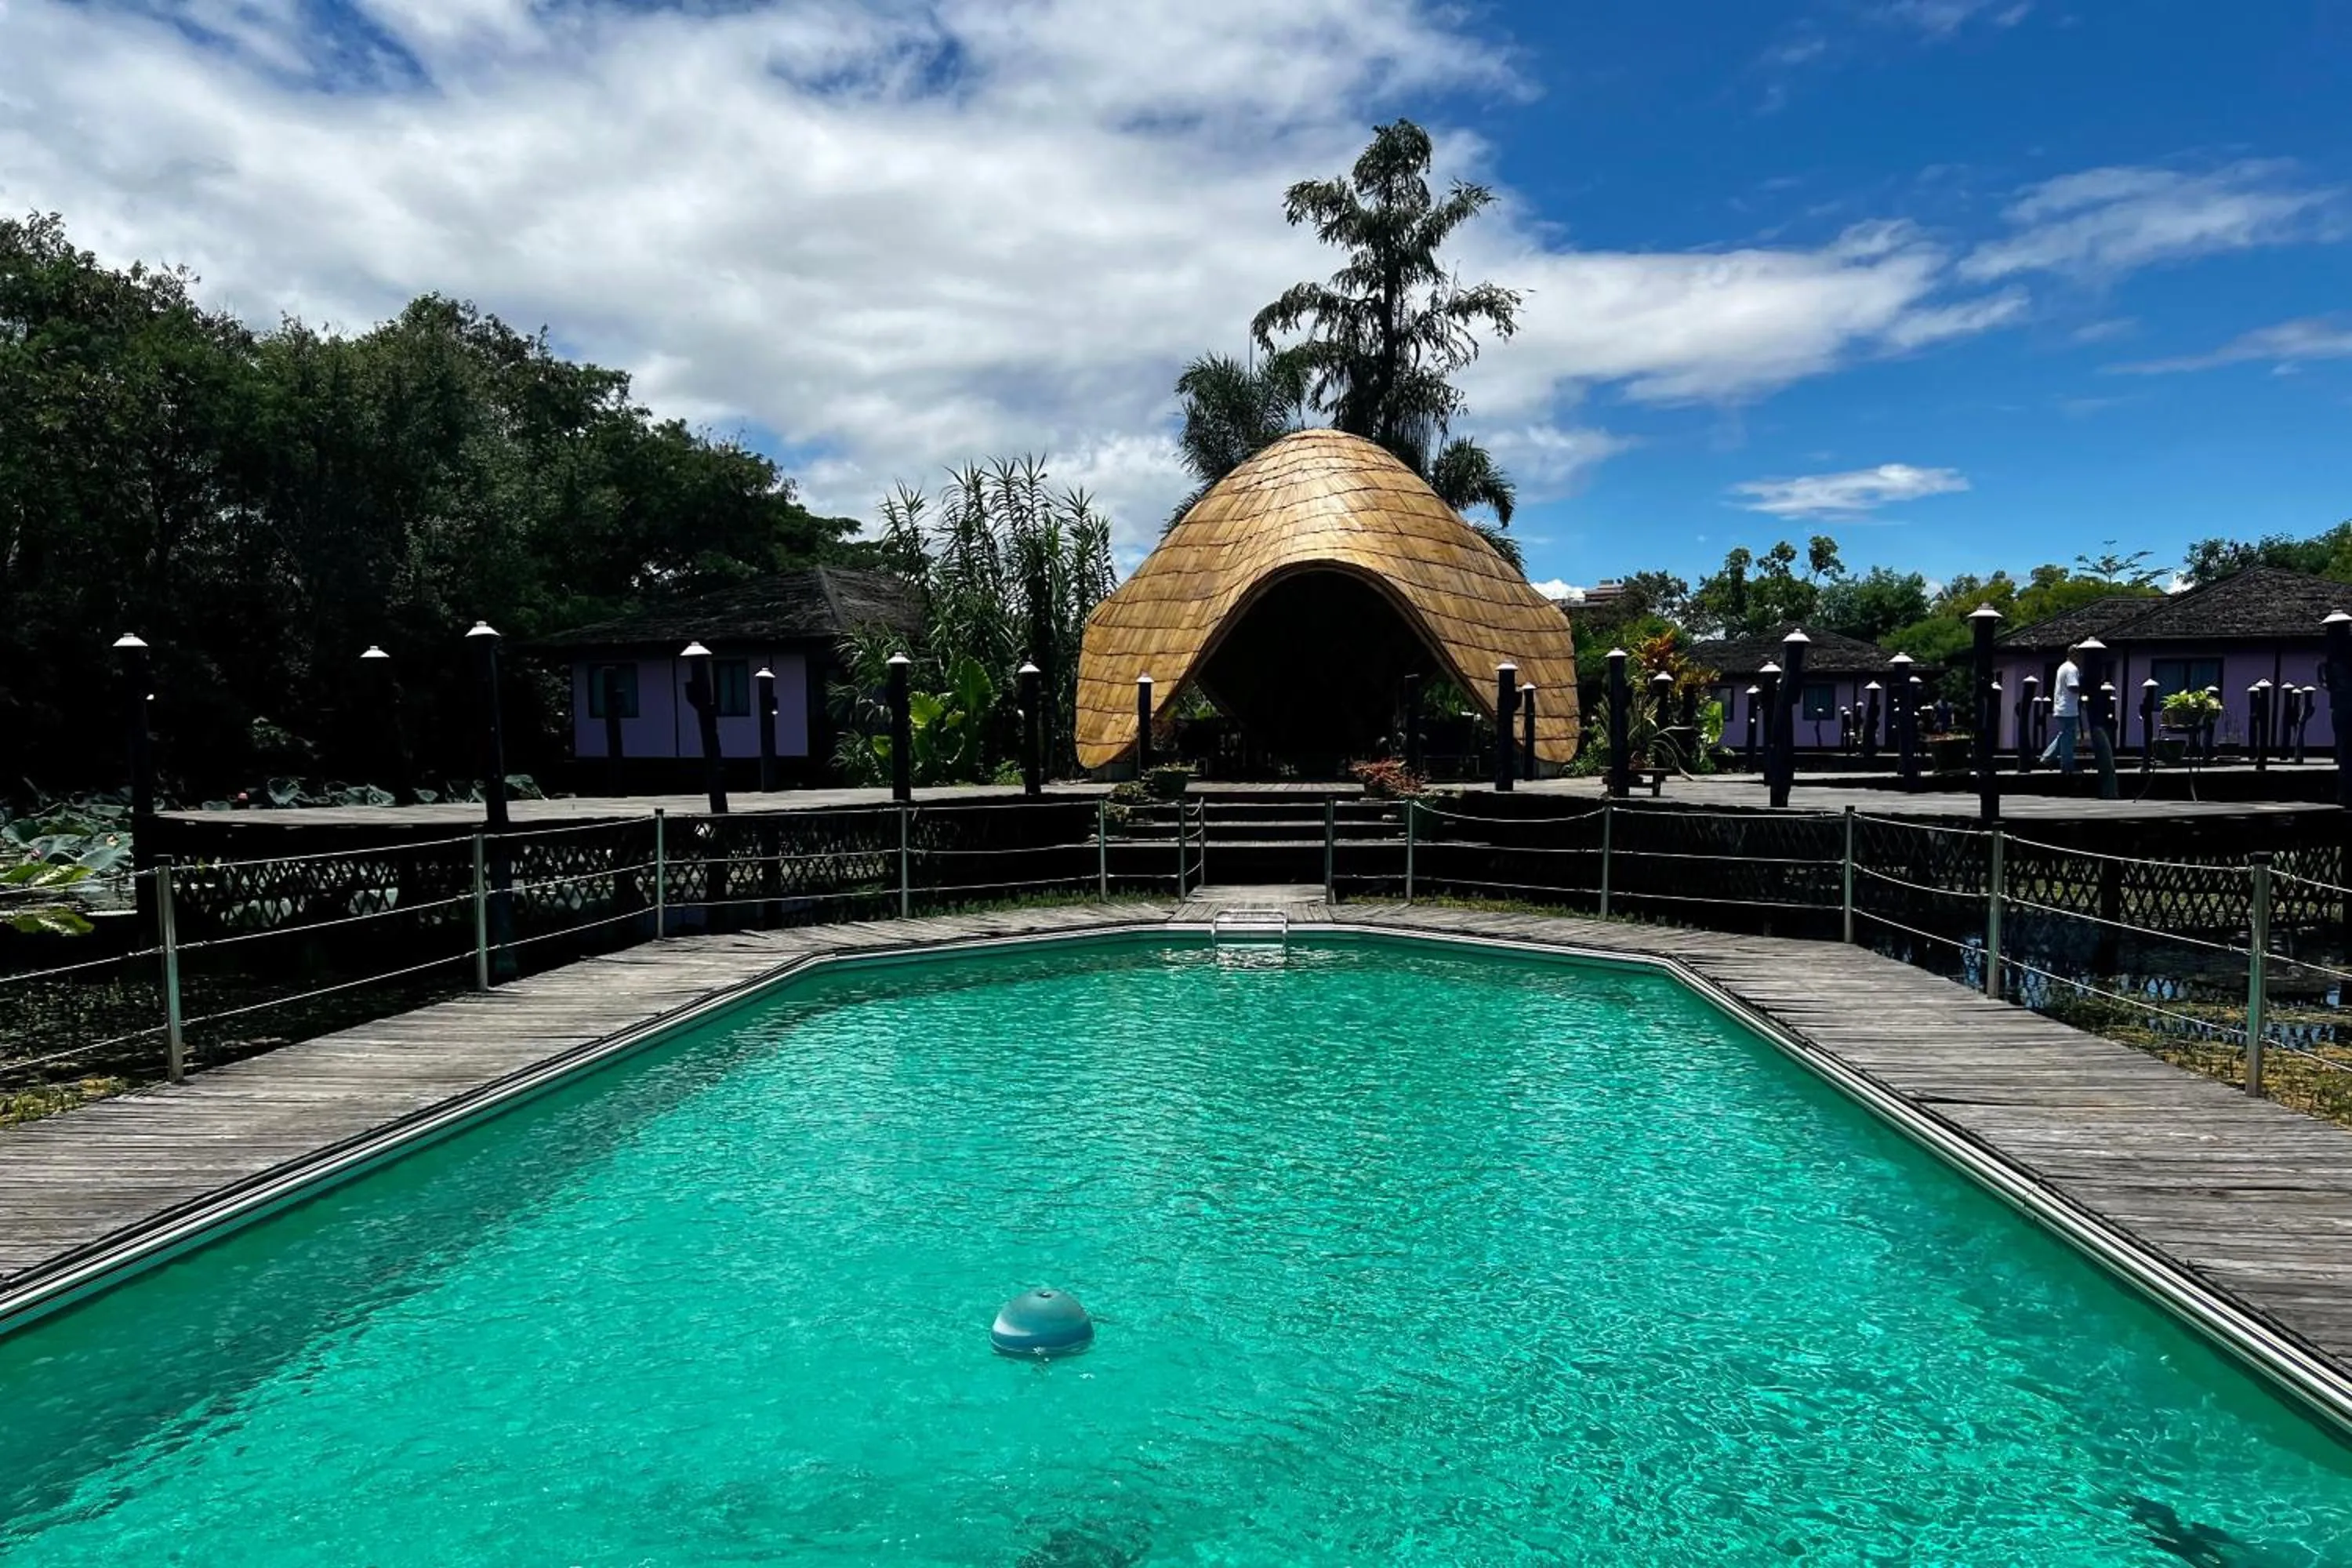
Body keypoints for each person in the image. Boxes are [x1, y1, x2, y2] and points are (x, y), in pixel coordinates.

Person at [2041, 646, 2084, 771]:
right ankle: (2067, 766)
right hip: (2068, 708)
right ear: (2074, 654)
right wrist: (2086, 689)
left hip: (2061, 706)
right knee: (2068, 739)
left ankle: (2047, 757)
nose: (2082, 658)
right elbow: (2072, 686)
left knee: (2064, 735)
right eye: (2080, 655)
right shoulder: (2072, 669)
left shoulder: (2063, 667)